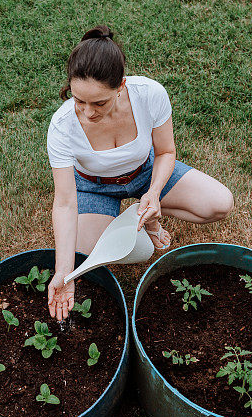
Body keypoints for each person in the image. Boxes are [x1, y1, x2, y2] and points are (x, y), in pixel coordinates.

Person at [46, 25, 234, 320]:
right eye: (78, 100)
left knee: (220, 203)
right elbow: (65, 202)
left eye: (99, 102)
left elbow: (165, 152)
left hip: (145, 172)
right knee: (90, 256)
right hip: (92, 187)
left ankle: (144, 209)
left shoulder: (149, 94)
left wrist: (154, 192)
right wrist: (64, 272)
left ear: (120, 86)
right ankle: (139, 219)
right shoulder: (61, 126)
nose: (87, 112)